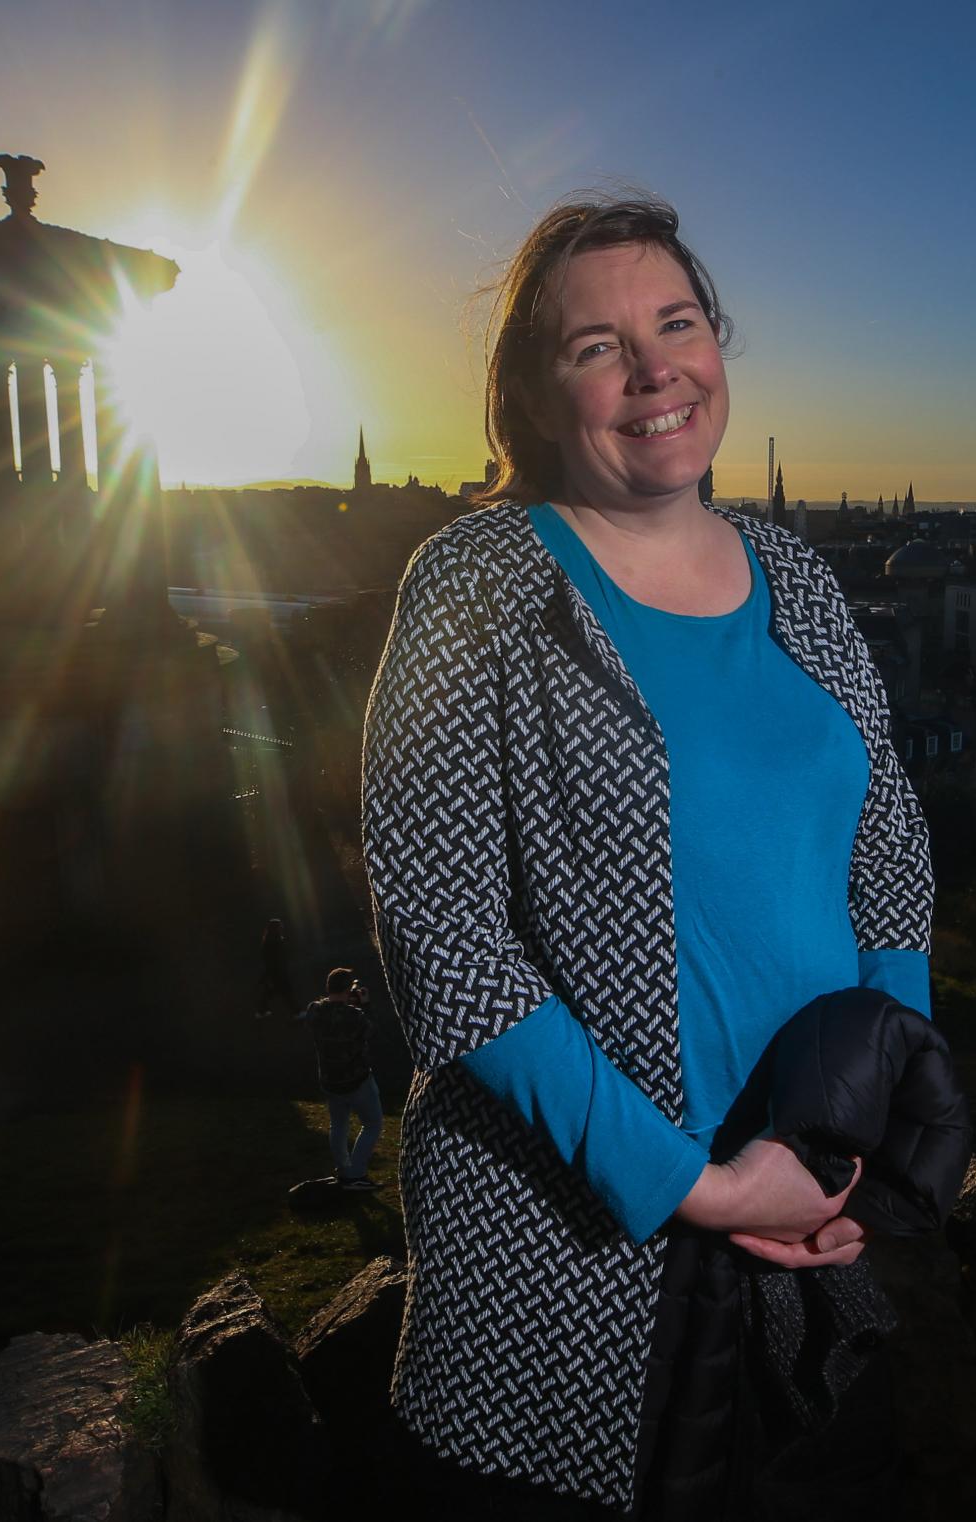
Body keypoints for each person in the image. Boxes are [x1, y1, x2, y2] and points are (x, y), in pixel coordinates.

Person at [361, 193, 937, 1516]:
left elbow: (888, 854)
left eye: (677, 322)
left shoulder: (799, 579)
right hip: (571, 1247)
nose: (653, 367)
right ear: (532, 398)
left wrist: (859, 1129)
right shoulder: (482, 584)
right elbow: (443, 937)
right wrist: (698, 1182)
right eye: (595, 346)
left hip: (804, 1211)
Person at [297, 968, 382, 1190]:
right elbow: (370, 1030)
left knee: (339, 1125)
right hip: (357, 1079)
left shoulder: (314, 1011)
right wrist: (364, 1004)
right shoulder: (355, 1016)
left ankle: (344, 1170)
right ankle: (356, 1174)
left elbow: (322, 1010)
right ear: (347, 990)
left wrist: (342, 1001)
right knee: (372, 1124)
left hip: (329, 1081)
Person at [254, 918, 297, 1020]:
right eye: (280, 927)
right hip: (278, 972)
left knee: (270, 993)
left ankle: (261, 1012)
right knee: (287, 993)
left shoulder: (270, 941)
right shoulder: (274, 942)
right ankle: (297, 1012)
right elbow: (274, 959)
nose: (282, 928)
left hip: (275, 972)